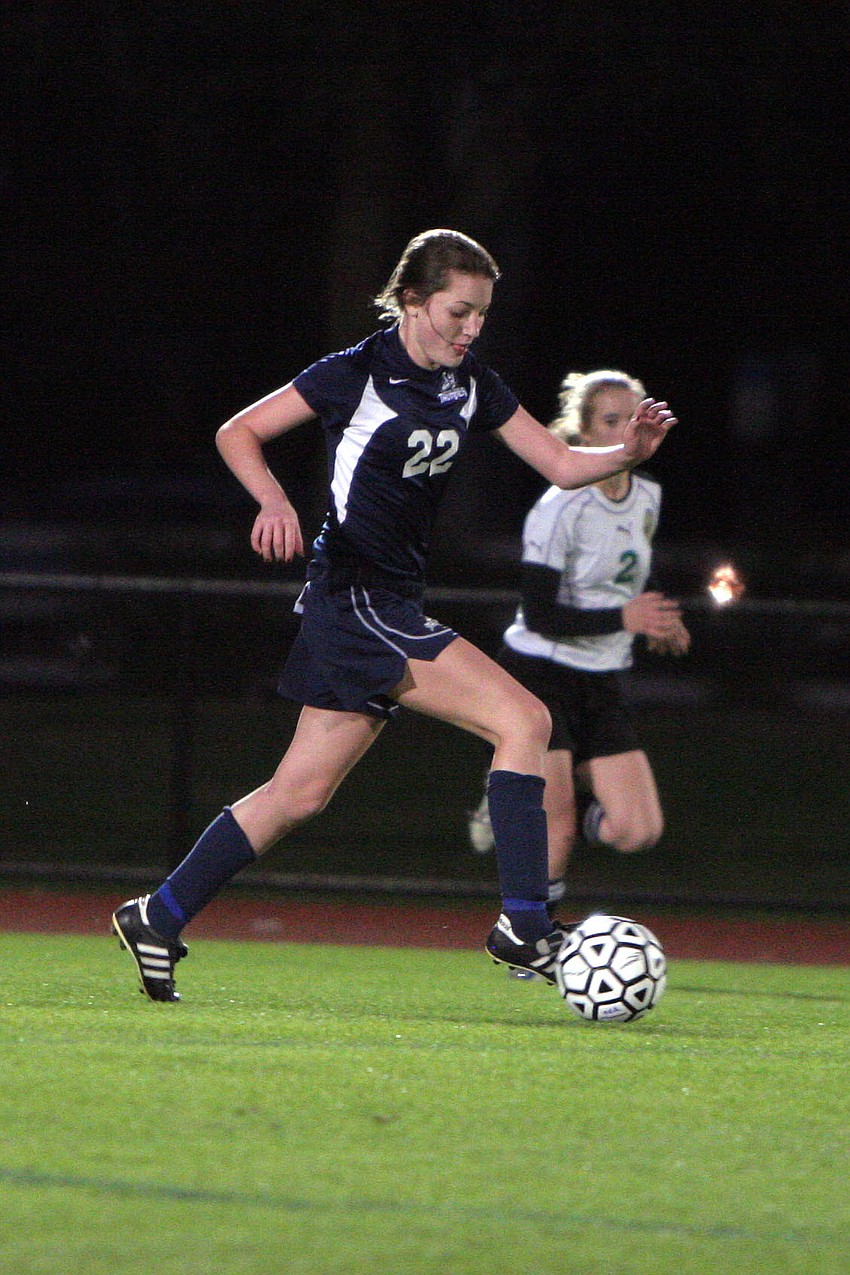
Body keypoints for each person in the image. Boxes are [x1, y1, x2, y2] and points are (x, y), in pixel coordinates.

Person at [111, 230, 678, 1002]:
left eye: (482, 313)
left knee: (298, 794)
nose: (472, 327)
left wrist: (626, 454)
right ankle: (523, 922)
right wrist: (273, 500)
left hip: (385, 604)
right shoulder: (354, 373)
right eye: (458, 311)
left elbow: (556, 461)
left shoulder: (471, 382)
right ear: (412, 300)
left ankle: (158, 914)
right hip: (355, 598)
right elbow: (237, 431)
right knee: (525, 720)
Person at [467, 368, 690, 922]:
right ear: (583, 434)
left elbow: (626, 576)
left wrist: (659, 619)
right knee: (557, 826)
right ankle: (530, 936)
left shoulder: (648, 496)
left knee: (637, 831)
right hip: (538, 673)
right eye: (610, 420)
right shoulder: (562, 505)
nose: (625, 430)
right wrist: (624, 617)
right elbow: (540, 614)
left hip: (599, 679)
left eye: (633, 418)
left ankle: (536, 797)